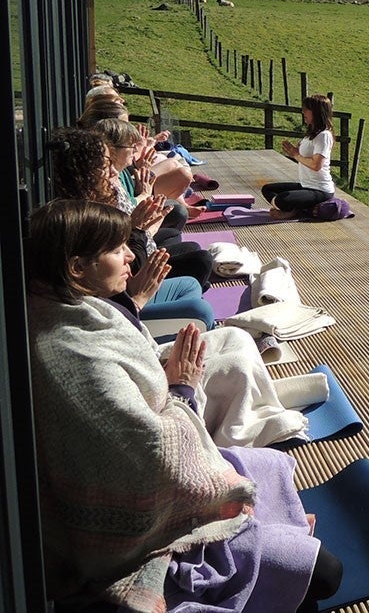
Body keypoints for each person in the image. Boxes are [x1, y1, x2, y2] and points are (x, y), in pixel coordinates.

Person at [24, 199, 341, 612]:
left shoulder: (71, 309)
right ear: (76, 268)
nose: (131, 255)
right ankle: (262, 513)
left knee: (234, 347)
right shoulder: (73, 356)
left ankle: (265, 491)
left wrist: (171, 379)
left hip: (170, 447)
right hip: (142, 531)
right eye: (117, 248)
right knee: (326, 574)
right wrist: (182, 390)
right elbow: (152, 460)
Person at [47, 127, 215, 330]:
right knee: (200, 302)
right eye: (103, 166)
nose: (112, 172)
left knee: (191, 281)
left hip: (127, 290)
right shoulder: (83, 220)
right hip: (124, 307)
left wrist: (142, 229)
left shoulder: (95, 201)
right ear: (81, 174)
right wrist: (138, 298)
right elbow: (121, 280)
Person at [263, 94, 336, 220]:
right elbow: (304, 158)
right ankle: (299, 208)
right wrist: (296, 152)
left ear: (317, 112)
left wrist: (296, 154)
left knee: (281, 200)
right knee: (267, 189)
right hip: (305, 185)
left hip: (320, 190)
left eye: (307, 109)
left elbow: (316, 165)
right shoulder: (311, 134)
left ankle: (294, 211)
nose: (303, 112)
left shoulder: (324, 136)